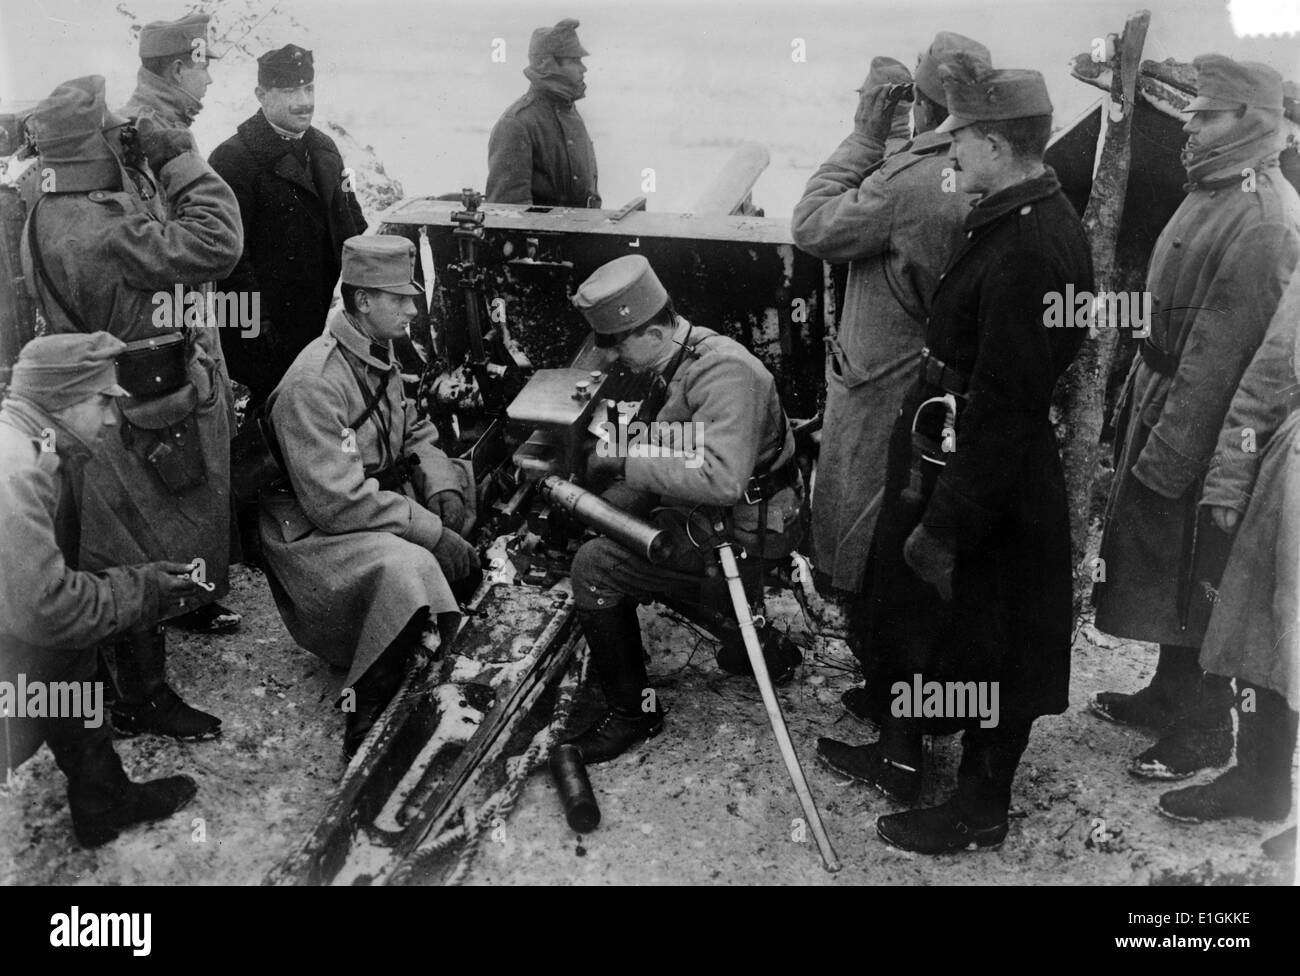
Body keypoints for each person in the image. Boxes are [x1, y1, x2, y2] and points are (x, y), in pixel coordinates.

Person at [818, 66, 1093, 854]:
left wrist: (946, 526)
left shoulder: (1029, 247)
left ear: (997, 143)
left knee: (995, 643)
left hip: (986, 474)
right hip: (959, 449)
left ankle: (978, 810)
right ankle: (905, 757)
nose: (949, 151)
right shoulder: (1022, 213)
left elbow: (1007, 401)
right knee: (937, 626)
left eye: (961, 139)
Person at [1091, 55, 1300, 781]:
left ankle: (1207, 727)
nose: (1189, 125)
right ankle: (1169, 689)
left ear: (1252, 122)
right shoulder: (1214, 186)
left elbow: (1221, 356)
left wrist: (1173, 450)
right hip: (1164, 391)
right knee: (1161, 563)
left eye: (1206, 115)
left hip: (1208, 423)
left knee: (1201, 570)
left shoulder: (1263, 218)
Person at [21, 75, 241, 741]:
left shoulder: (46, 210)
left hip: (96, 396)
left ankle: (130, 687)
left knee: (118, 544)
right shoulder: (104, 228)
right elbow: (219, 241)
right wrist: (178, 157)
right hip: (140, 404)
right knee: (141, 549)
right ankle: (142, 699)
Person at [791, 33, 991, 718]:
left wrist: (863, 135)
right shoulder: (980, 172)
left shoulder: (909, 182)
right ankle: (921, 690)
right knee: (916, 536)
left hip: (883, 384)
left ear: (925, 104)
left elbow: (813, 225)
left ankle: (892, 696)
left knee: (866, 539)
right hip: (937, 385)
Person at [561, 254, 805, 764]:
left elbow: (722, 476)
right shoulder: (683, 353)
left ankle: (632, 713)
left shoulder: (725, 372)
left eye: (615, 342)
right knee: (612, 513)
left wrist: (626, 462)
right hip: (717, 513)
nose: (610, 355)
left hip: (745, 529)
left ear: (651, 331)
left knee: (597, 566)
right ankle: (755, 641)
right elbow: (678, 439)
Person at [259, 235, 480, 758]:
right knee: (407, 565)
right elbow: (336, 504)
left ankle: (424, 631)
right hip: (315, 533)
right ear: (362, 301)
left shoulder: (376, 352)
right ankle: (368, 720)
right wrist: (431, 531)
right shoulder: (315, 383)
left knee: (468, 487)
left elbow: (415, 427)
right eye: (399, 298)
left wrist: (443, 486)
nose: (412, 309)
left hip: (365, 501)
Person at [0, 333, 204, 847]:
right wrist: (145, 590)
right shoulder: (16, 470)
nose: (114, 420)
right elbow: (48, 609)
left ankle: (104, 800)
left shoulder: (37, 445)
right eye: (102, 402)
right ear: (61, 400)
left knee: (69, 655)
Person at [1156, 274, 1299, 859]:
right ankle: (1261, 781)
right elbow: (1267, 378)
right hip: (1290, 484)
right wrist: (1232, 479)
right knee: (1257, 635)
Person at [122, 10, 242, 635]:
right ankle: (187, 596)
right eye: (202, 67)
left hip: (186, 316)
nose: (210, 81)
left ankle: (191, 589)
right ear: (176, 68)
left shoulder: (158, 122)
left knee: (194, 459)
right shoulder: (156, 129)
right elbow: (185, 240)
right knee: (189, 464)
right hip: (177, 322)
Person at [209, 43, 368, 406]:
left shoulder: (325, 149)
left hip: (325, 329)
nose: (304, 101)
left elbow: (353, 224)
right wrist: (257, 333)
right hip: (266, 341)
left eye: (308, 89)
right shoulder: (233, 160)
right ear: (261, 95)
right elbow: (231, 261)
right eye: (289, 91)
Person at [486, 17, 600, 208]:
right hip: (545, 237)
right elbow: (507, 213)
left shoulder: (569, 110)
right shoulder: (517, 123)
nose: (583, 68)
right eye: (574, 61)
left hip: (584, 232)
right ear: (548, 64)